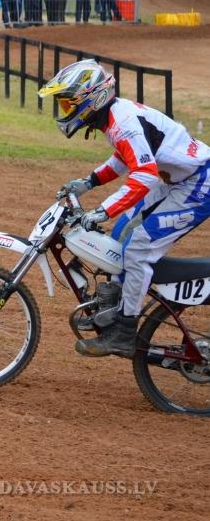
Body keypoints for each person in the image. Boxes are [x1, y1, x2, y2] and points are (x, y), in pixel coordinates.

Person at [39, 60, 210, 358]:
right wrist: (89, 182)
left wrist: (103, 210)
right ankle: (113, 310)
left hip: (198, 185)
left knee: (139, 248)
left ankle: (125, 332)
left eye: (68, 103)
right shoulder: (114, 117)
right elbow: (123, 158)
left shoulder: (122, 122)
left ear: (91, 99)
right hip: (178, 180)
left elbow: (143, 175)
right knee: (121, 234)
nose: (64, 110)